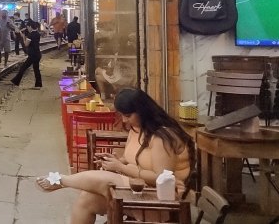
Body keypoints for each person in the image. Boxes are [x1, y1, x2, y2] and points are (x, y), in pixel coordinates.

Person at [37, 88, 193, 224]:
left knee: (108, 180)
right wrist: (116, 161)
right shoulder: (136, 129)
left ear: (142, 111)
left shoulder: (162, 137)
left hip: (161, 199)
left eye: (128, 115)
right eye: (123, 115)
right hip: (137, 190)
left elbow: (162, 178)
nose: (125, 120)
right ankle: (61, 180)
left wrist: (121, 168)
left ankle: (61, 180)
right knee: (86, 199)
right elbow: (131, 159)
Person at [10, 21, 44, 88]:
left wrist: (23, 37)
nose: (27, 28)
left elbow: (26, 44)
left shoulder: (30, 35)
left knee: (23, 68)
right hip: (37, 54)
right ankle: (38, 84)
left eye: (28, 27)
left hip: (32, 55)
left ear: (30, 27)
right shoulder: (37, 33)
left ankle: (16, 81)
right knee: (36, 69)